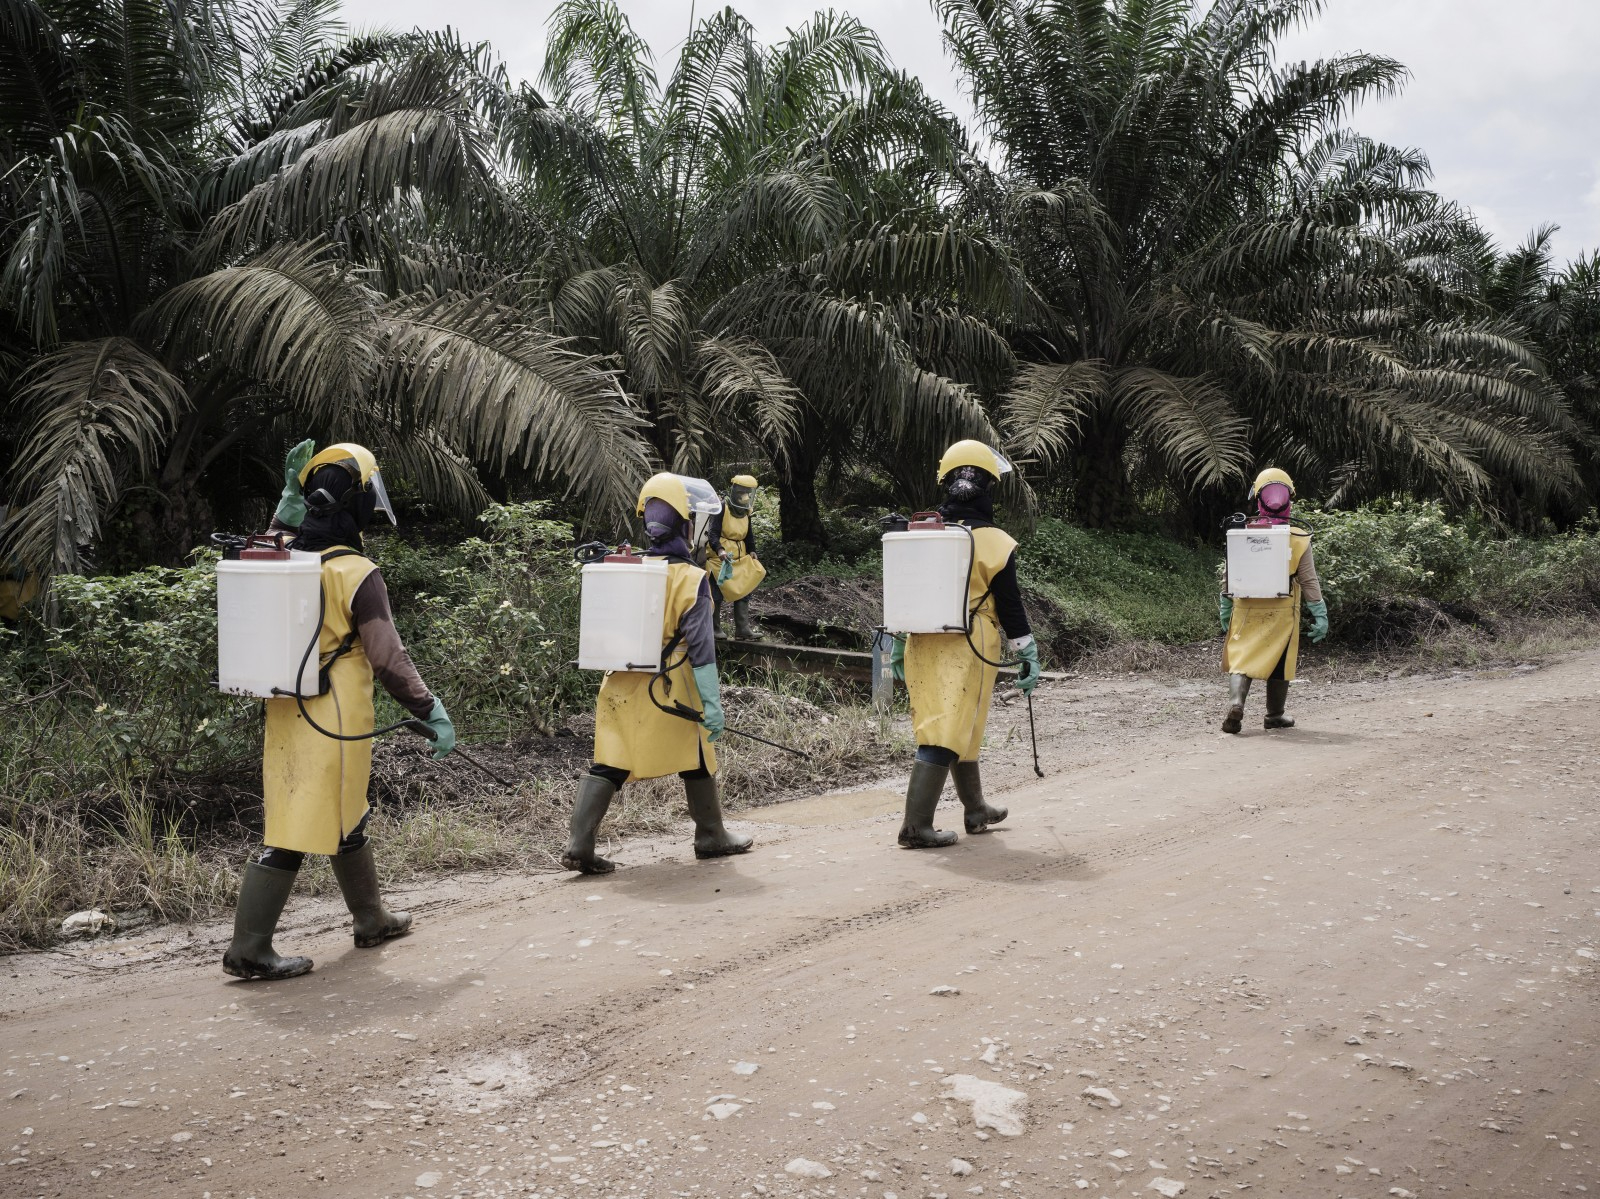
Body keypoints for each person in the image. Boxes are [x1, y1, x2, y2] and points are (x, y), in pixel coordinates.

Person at [223, 441, 456, 981]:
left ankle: (371, 917)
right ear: (356, 504)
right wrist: (430, 708)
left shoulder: (282, 553)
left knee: (344, 812)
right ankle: (249, 947)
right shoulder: (355, 570)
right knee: (295, 827)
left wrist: (285, 506)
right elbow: (387, 657)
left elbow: (277, 534)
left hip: (286, 708)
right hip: (337, 717)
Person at [562, 472, 753, 874]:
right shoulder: (691, 579)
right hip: (671, 685)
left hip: (619, 682)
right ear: (687, 524)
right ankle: (711, 834)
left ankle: (580, 844)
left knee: (610, 762)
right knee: (698, 754)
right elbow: (701, 649)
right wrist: (714, 704)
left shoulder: (627, 568)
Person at [890, 441, 1040, 848]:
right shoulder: (995, 541)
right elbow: (1010, 604)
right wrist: (1026, 650)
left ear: (947, 481)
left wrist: (898, 641)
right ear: (988, 486)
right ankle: (915, 826)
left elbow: (903, 587)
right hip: (969, 644)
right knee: (945, 729)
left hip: (920, 640)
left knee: (962, 724)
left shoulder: (924, 531)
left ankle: (975, 808)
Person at [1218, 467, 1329, 734]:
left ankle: (1236, 703)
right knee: (1280, 660)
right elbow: (1308, 579)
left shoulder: (1242, 532)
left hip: (1245, 606)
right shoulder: (1299, 538)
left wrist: (1225, 605)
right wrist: (1319, 612)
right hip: (1282, 609)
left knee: (1241, 656)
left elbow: (1230, 573)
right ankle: (1275, 714)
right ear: (1289, 500)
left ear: (1258, 499)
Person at [706, 473, 767, 641]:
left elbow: (749, 536)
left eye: (748, 493)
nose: (745, 496)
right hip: (720, 559)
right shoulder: (722, 508)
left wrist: (752, 550)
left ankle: (742, 629)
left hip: (740, 558)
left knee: (744, 590)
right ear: (735, 492)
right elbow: (713, 534)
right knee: (716, 593)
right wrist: (719, 550)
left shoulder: (746, 512)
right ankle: (714, 628)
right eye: (742, 492)